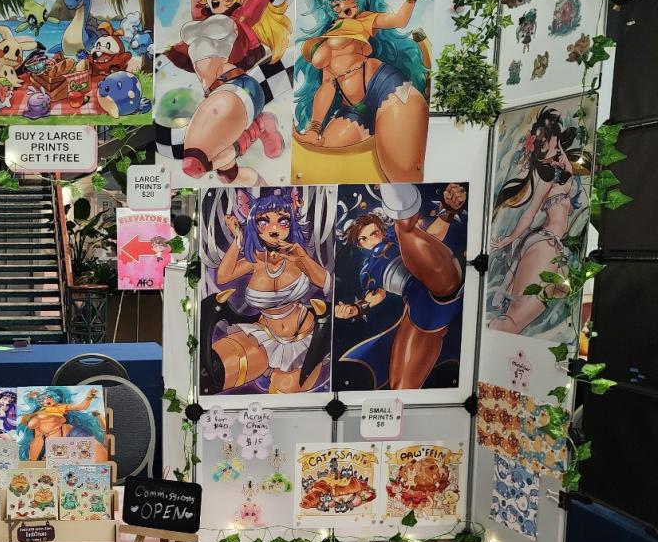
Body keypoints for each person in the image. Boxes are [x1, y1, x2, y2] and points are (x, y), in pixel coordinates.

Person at [293, 0, 430, 181]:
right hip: (353, 109)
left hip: (386, 87)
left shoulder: (364, 20)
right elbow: (327, 85)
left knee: (402, 169)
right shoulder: (329, 33)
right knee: (323, 154)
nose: (343, 6)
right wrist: (314, 128)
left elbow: (399, 20)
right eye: (335, 4)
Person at [162, 0, 291, 185]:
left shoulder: (237, 21)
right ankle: (261, 128)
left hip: (237, 88)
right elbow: (198, 0)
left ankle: (259, 126)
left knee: (194, 161)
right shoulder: (201, 20)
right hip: (216, 96)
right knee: (227, 174)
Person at [335, 184, 466, 388]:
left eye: (374, 233)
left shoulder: (397, 239)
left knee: (406, 231)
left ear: (381, 230)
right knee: (401, 386)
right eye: (364, 239)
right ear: (360, 244)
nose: (371, 240)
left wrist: (448, 212)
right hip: (421, 312)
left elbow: (430, 239)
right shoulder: (367, 272)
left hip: (438, 282)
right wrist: (356, 308)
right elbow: (377, 295)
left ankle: (401, 202)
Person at [207, 188, 332, 394]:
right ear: (254, 226)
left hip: (306, 337)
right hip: (265, 337)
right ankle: (265, 370)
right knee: (219, 368)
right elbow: (223, 276)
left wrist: (303, 258)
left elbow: (327, 283)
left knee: (287, 390)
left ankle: (272, 373)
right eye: (264, 222)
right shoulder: (256, 260)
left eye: (282, 221)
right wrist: (238, 240)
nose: (274, 229)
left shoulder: (296, 256)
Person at [487, 108, 583, 334]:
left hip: (553, 247)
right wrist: (511, 237)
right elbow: (530, 213)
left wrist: (558, 149)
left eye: (558, 147)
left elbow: (567, 166)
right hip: (544, 244)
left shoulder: (562, 173)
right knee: (515, 321)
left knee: (520, 319)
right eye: (553, 147)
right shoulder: (546, 180)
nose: (558, 153)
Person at [18, 387, 105, 461]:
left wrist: (88, 398)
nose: (47, 400)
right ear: (40, 402)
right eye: (43, 399)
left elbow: (81, 406)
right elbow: (38, 439)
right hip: (56, 445)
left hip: (72, 433)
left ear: (54, 398)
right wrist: (33, 462)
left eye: (49, 397)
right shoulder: (37, 414)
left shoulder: (59, 407)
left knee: (98, 453)